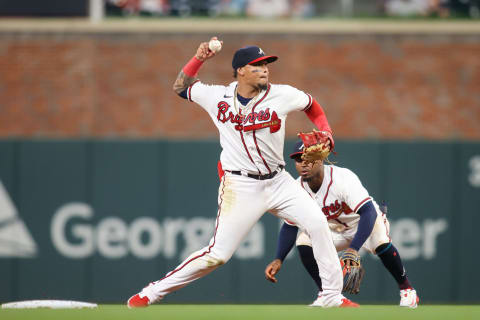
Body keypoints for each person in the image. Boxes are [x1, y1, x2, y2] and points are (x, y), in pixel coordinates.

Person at [127, 37, 358, 308]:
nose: (265, 69)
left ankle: (331, 295)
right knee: (218, 254)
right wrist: (199, 58)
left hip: (279, 181)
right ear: (241, 71)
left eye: (266, 64)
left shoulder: (282, 94)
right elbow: (180, 87)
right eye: (257, 65)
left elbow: (311, 105)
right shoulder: (217, 96)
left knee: (317, 224)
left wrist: (326, 132)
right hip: (240, 185)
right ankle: (152, 292)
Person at [264, 140, 419, 308]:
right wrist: (279, 258)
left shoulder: (342, 178)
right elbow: (290, 225)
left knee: (380, 242)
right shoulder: (296, 188)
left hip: (363, 223)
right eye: (299, 160)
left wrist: (353, 248)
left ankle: (407, 289)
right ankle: (326, 293)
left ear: (320, 159)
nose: (303, 164)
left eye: (308, 159)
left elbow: (368, 212)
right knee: (304, 241)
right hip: (332, 230)